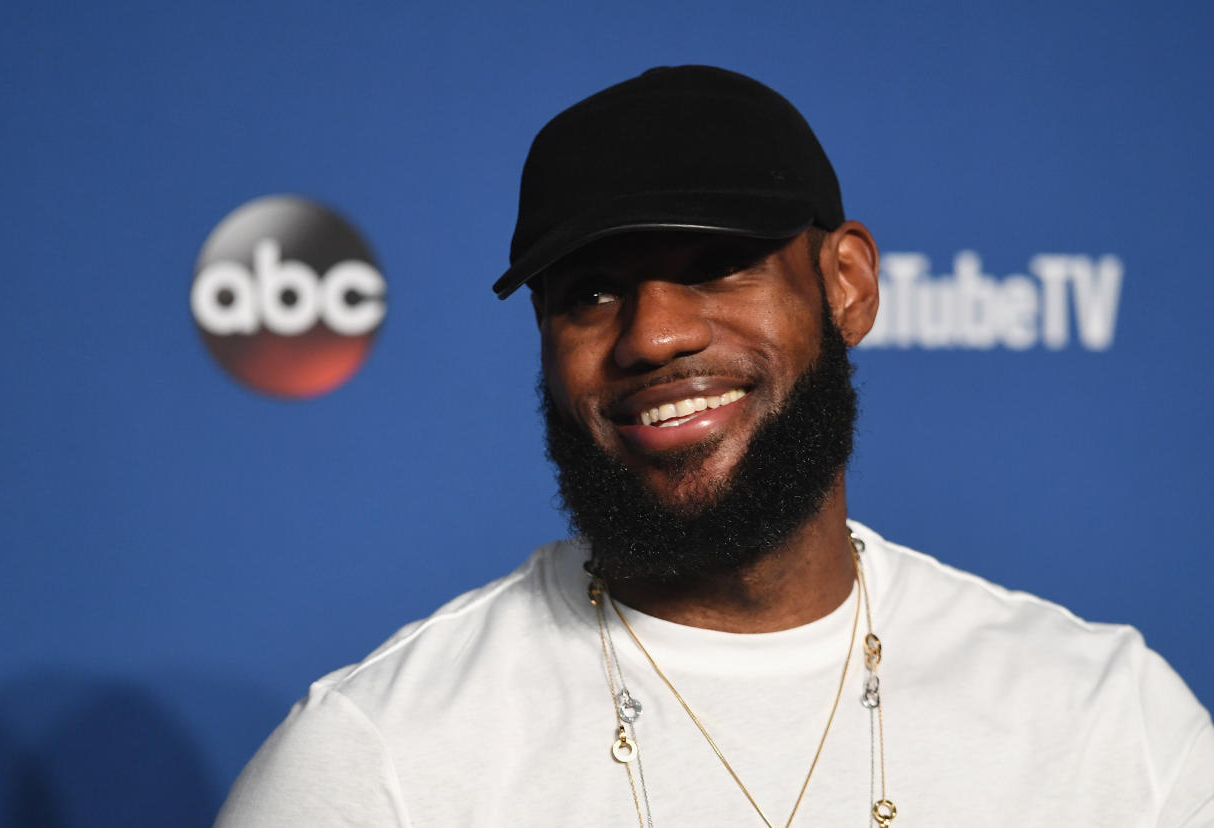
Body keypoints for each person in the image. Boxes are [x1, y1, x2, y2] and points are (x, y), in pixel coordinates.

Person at [215, 65, 1212, 827]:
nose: (652, 335)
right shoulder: (381, 766)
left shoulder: (1104, 727)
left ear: (848, 284)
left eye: (717, 267)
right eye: (592, 293)